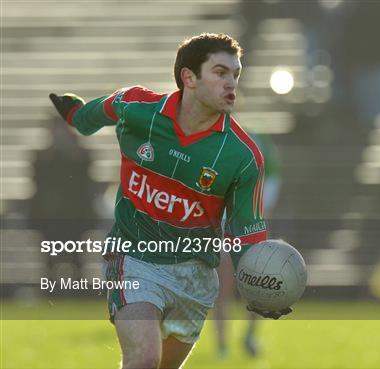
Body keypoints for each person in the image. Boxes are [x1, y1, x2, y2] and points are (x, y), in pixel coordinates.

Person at [49, 33, 291, 369]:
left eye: (235, 74)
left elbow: (246, 231)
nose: (231, 82)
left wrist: (259, 286)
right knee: (144, 359)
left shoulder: (244, 156)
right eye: (220, 72)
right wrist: (75, 114)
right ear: (188, 77)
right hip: (134, 257)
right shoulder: (138, 108)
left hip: (194, 276)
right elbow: (96, 114)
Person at [214, 132, 282, 358]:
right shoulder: (217, 143)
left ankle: (249, 336)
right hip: (224, 227)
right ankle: (223, 345)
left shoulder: (258, 143)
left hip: (250, 228)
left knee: (258, 288)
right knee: (223, 289)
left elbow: (271, 181)